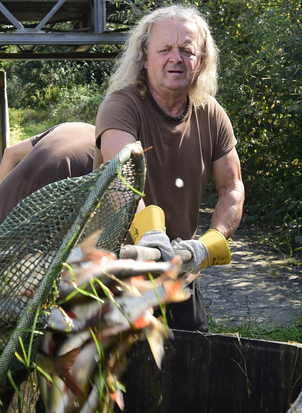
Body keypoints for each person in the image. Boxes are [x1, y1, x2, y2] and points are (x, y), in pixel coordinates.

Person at [95, 5, 245, 332]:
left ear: (201, 60)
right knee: (122, 358)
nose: (176, 58)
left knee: (195, 351)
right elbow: (121, 178)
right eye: (165, 49)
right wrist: (150, 234)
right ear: (144, 56)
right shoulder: (121, 106)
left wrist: (208, 244)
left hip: (179, 270)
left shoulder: (212, 113)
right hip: (117, 268)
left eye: (187, 50)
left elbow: (232, 188)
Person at [0, 122, 96, 231]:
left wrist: (2, 203)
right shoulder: (100, 157)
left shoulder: (71, 127)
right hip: (29, 229)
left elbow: (10, 152)